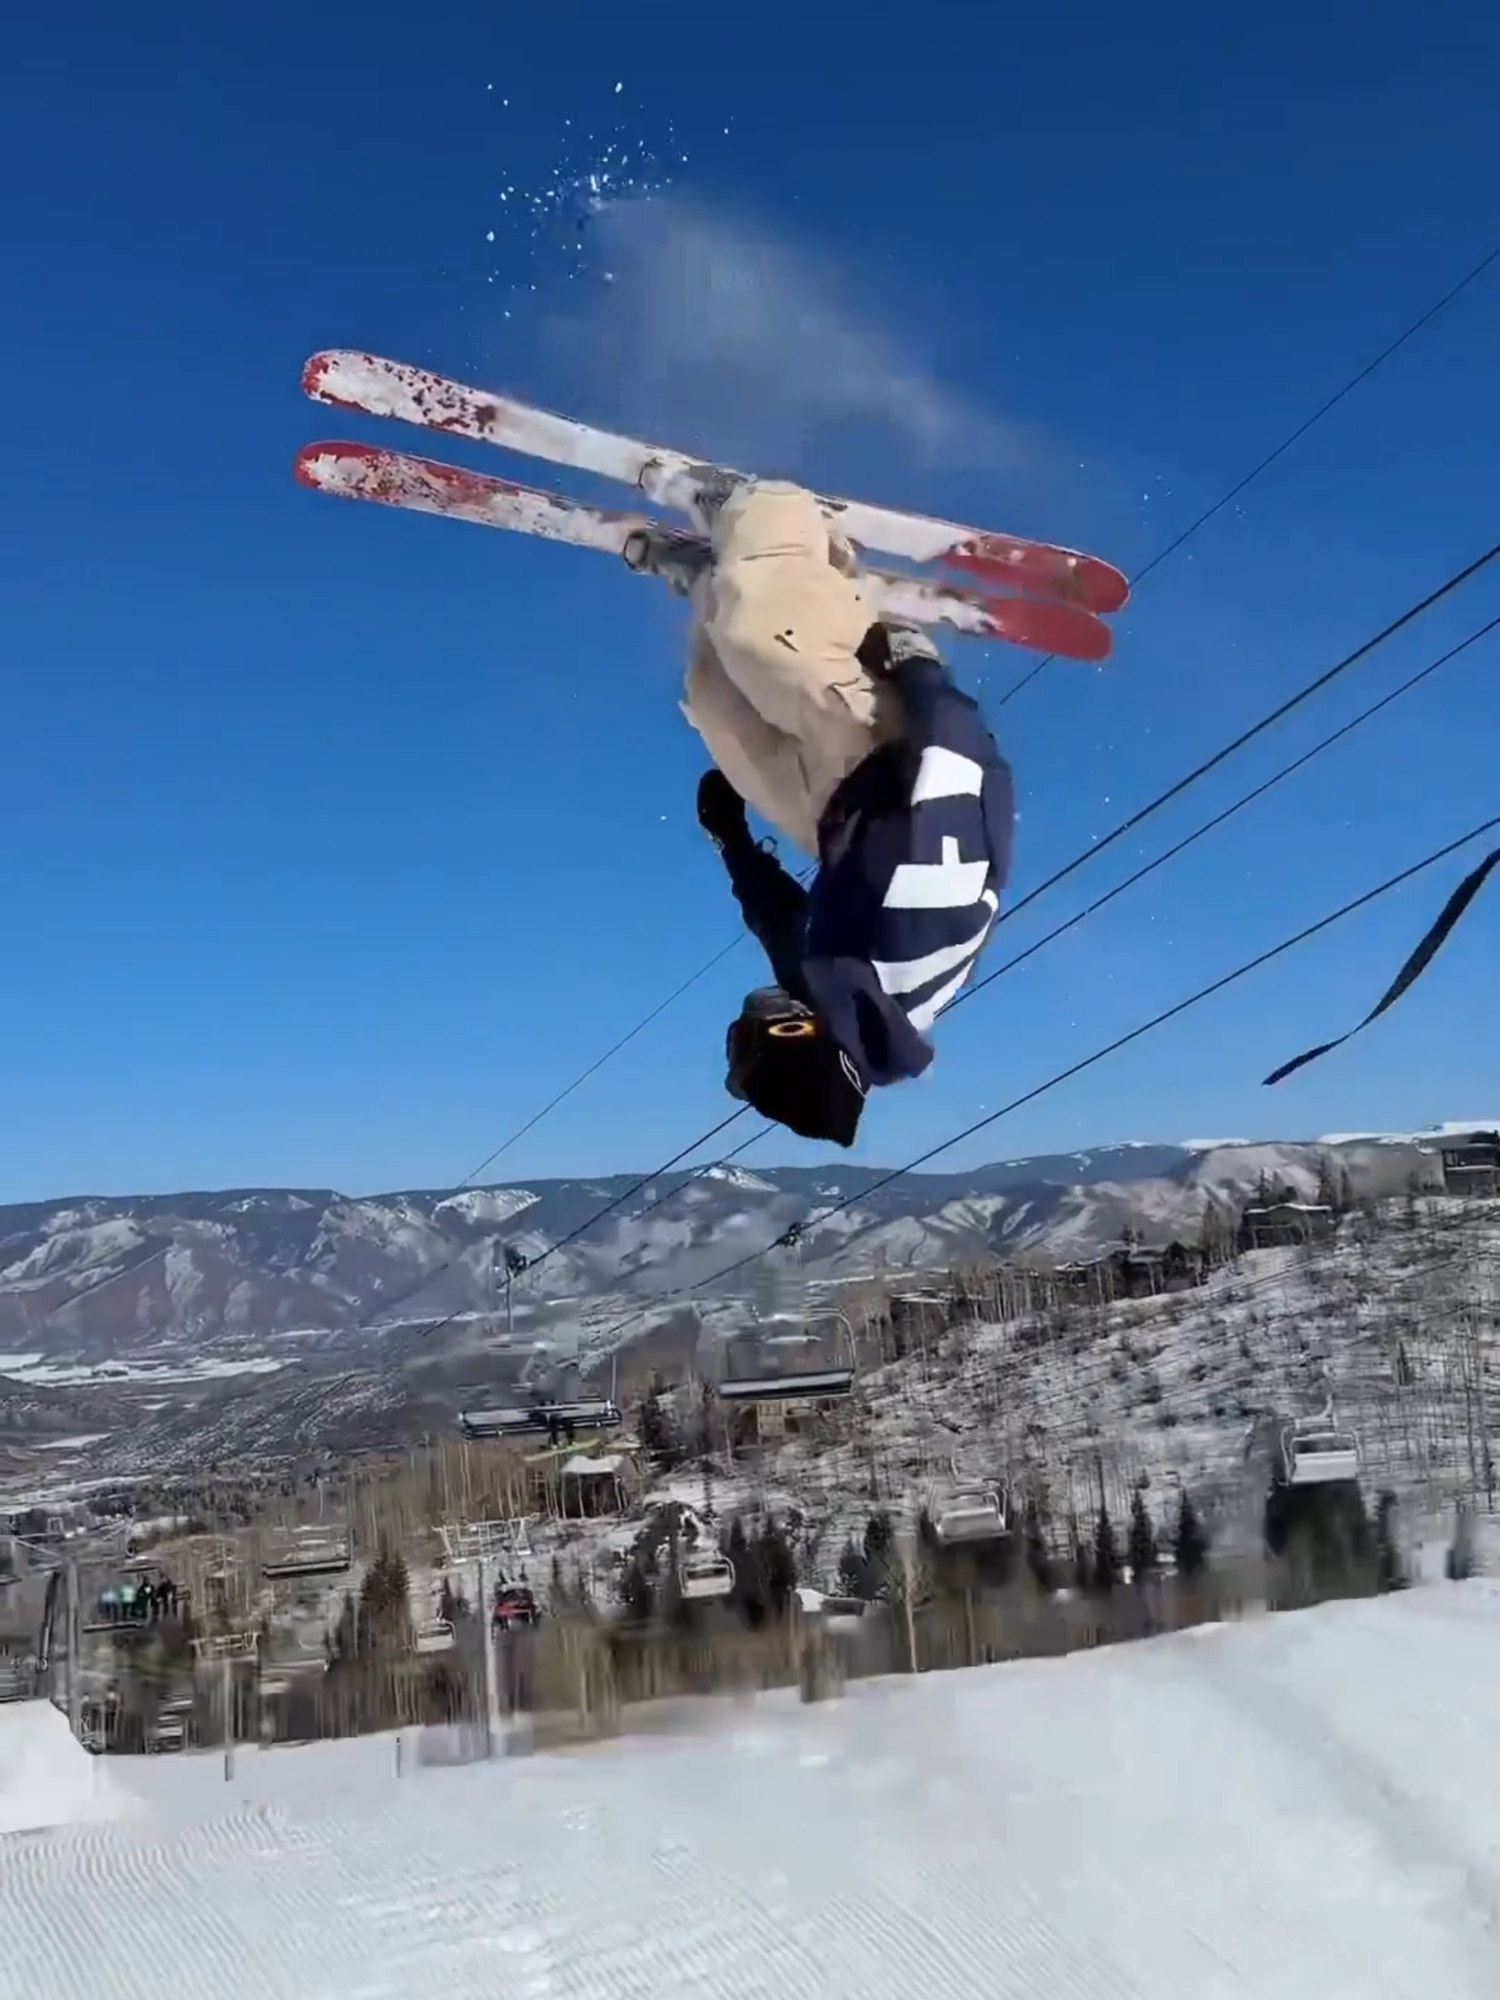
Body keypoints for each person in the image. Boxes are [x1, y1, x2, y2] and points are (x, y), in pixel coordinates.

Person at [632, 478, 1015, 1148]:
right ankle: (767, 515)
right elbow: (958, 782)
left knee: (713, 699)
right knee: (756, 637)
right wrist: (920, 674)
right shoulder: (902, 948)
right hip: (895, 757)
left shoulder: (840, 1000)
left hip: (840, 819)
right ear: (798, 1037)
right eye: (763, 1025)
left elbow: (781, 925)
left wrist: (734, 844)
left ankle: (719, 584)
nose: (770, 1004)